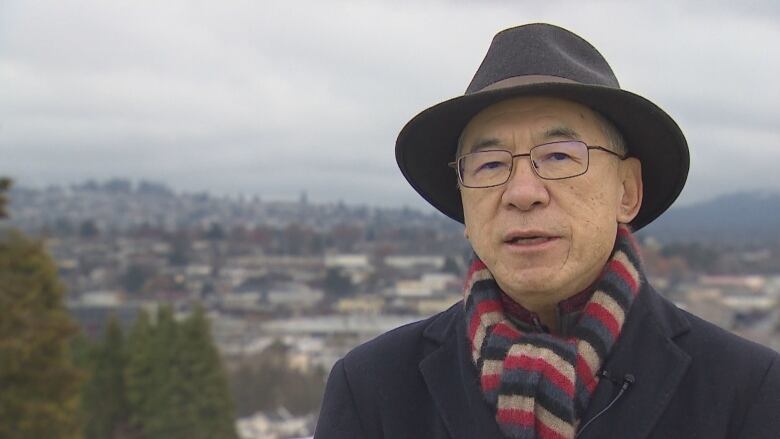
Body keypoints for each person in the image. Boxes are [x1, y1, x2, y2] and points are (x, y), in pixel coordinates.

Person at [314, 23, 780, 439]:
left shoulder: (746, 390)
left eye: (559, 156)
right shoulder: (374, 387)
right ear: (464, 203)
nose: (522, 192)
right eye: (490, 164)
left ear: (627, 190)